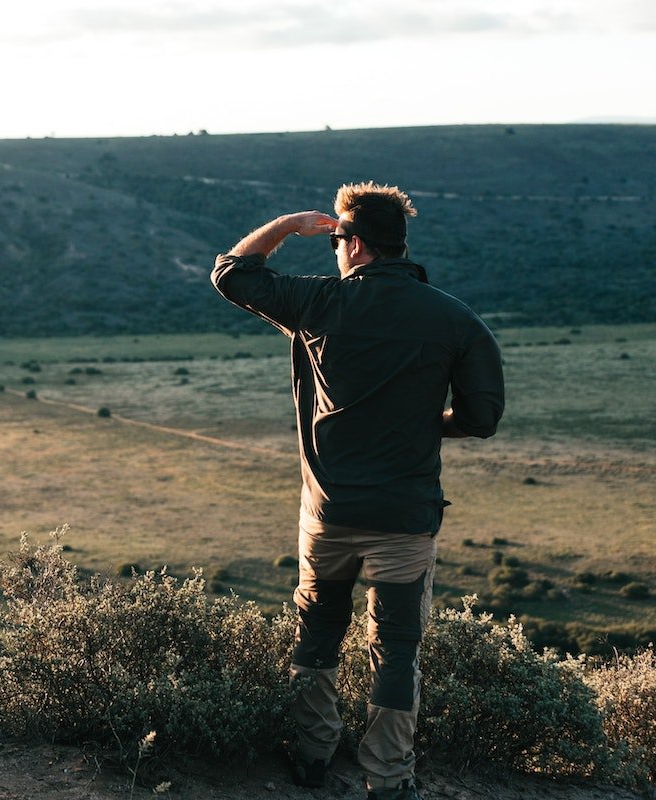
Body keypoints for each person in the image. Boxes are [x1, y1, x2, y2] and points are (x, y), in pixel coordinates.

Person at [210, 182, 505, 800]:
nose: (335, 252)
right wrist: (429, 424)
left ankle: (312, 757)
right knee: (397, 649)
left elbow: (231, 274)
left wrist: (289, 225)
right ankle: (389, 777)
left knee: (318, 633)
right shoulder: (456, 319)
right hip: (404, 517)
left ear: (356, 245)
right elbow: (481, 417)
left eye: (338, 241)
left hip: (330, 514)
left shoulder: (317, 304)